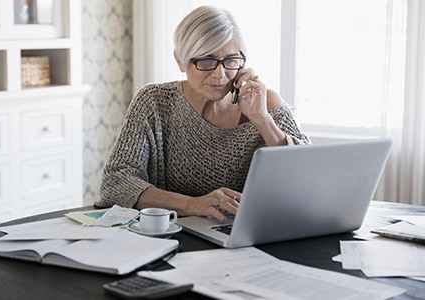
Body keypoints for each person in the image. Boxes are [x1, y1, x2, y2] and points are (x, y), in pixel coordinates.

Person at [96, 5, 310, 222]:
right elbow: (116, 183)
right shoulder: (154, 102)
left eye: (230, 60)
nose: (220, 74)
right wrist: (192, 204)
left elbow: (308, 177)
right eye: (206, 60)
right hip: (174, 236)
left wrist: (261, 119)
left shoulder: (264, 102)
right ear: (180, 60)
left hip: (249, 235)